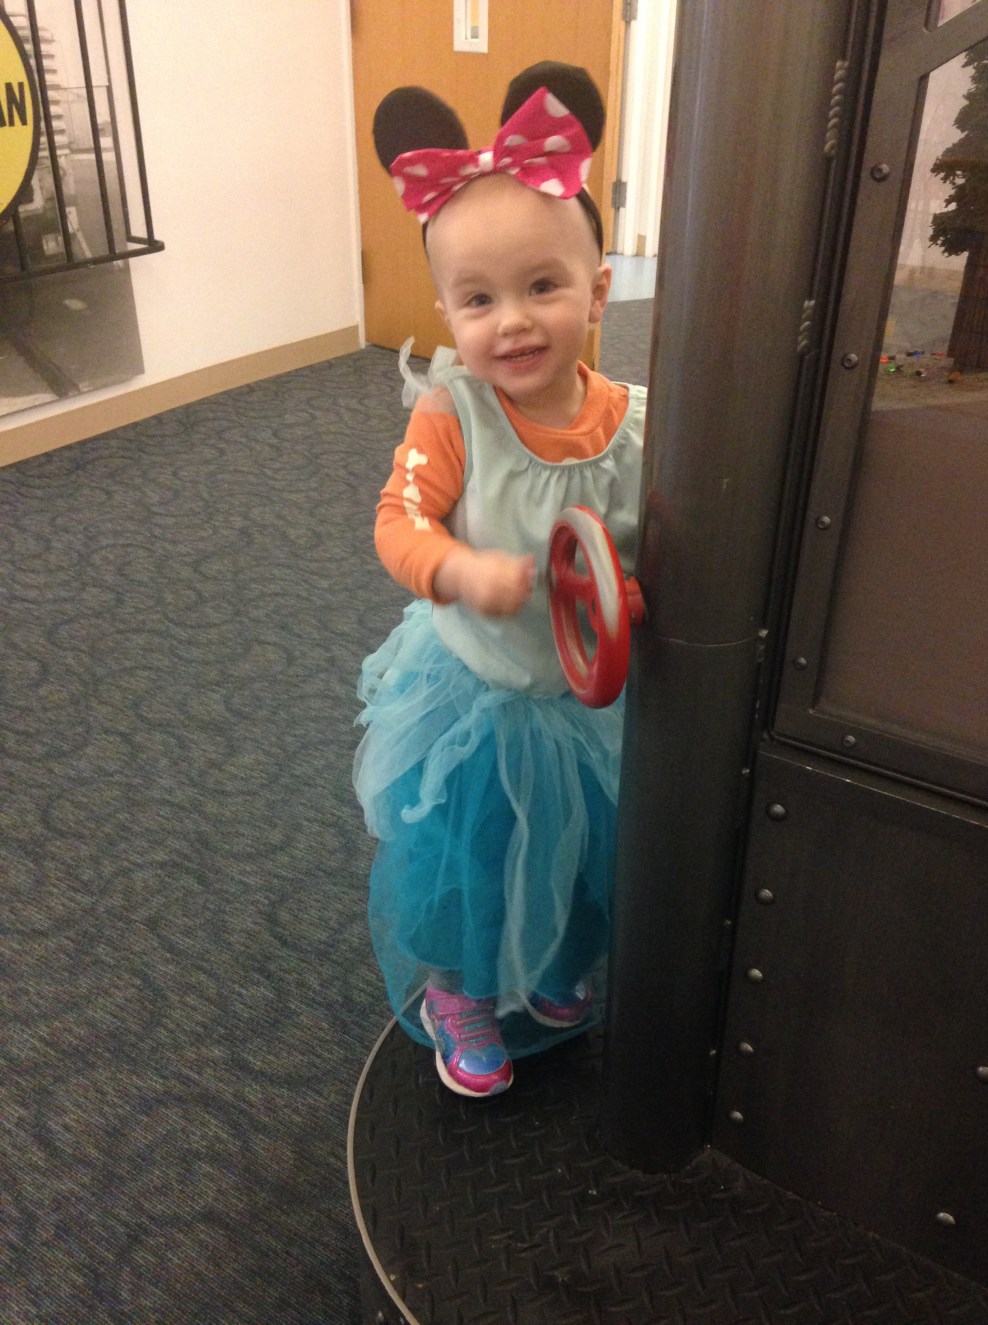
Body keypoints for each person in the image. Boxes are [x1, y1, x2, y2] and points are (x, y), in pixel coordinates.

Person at [353, 63, 645, 1098]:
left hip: (586, 699)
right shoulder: (455, 412)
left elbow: (645, 552)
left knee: (582, 844)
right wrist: (456, 567)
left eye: (542, 287)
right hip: (475, 689)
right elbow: (397, 521)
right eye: (478, 299)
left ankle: (556, 961)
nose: (511, 321)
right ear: (446, 308)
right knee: (467, 851)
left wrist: (627, 598)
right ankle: (459, 990)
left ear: (597, 291)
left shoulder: (636, 422)